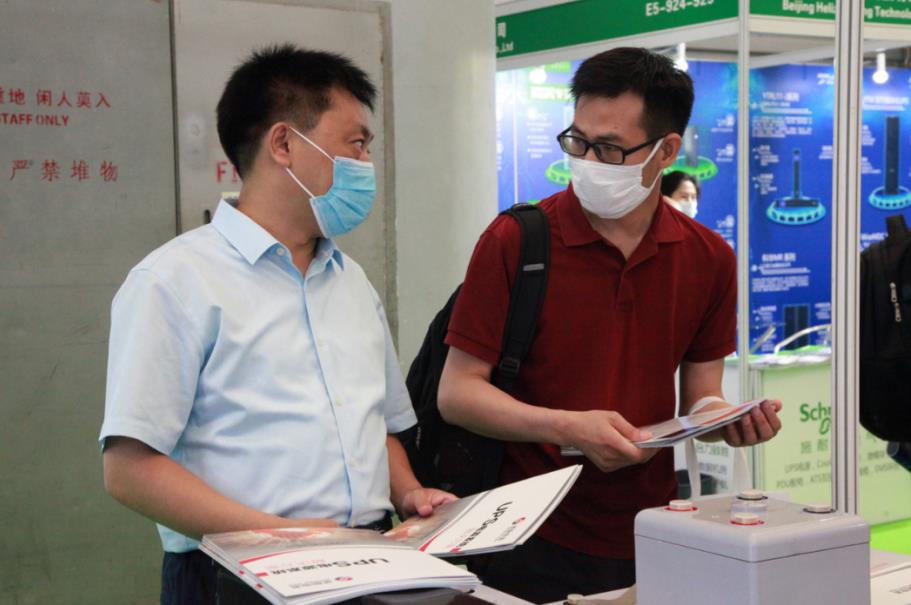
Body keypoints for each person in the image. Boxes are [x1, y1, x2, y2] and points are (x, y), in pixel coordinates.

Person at [99, 45, 453, 605]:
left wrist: (408, 492)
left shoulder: (350, 281)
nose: (366, 164)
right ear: (284, 143)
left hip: (367, 560)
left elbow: (376, 426)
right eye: (356, 143)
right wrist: (280, 534)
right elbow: (129, 470)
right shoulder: (174, 281)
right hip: (236, 573)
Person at [437, 47, 782, 603]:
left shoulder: (709, 257)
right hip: (524, 532)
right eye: (578, 141)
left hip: (654, 526)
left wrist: (726, 421)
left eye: (610, 149)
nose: (588, 161)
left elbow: (701, 395)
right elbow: (457, 395)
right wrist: (569, 428)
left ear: (667, 150)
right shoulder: (517, 241)